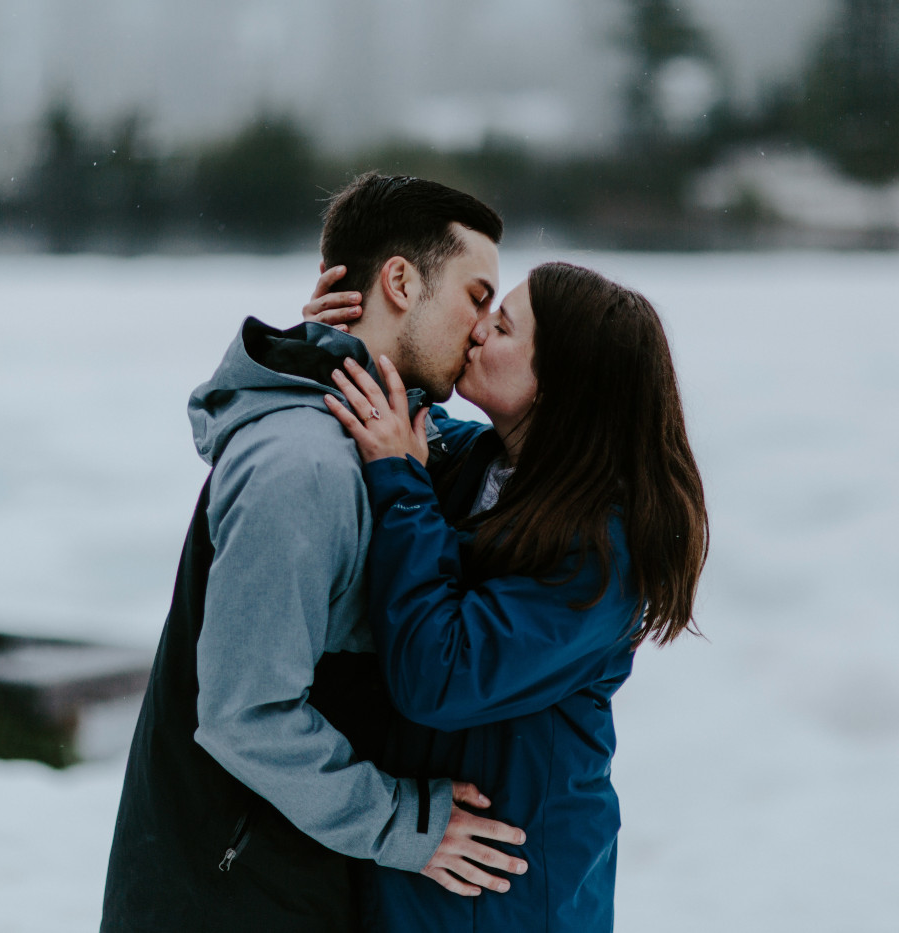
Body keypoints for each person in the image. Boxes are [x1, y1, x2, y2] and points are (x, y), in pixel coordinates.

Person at [100, 173, 530, 933]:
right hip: (226, 899)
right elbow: (246, 714)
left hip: (274, 882)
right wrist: (405, 821)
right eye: (476, 294)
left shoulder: (372, 438)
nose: (483, 326)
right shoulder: (303, 464)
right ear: (400, 280)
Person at [313, 262, 710, 931]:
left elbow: (438, 674)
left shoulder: (602, 557)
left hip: (512, 897)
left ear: (559, 386)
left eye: (502, 326)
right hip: (431, 879)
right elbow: (400, 416)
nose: (475, 330)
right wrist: (348, 340)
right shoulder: (481, 464)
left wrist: (401, 482)